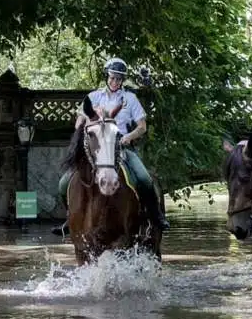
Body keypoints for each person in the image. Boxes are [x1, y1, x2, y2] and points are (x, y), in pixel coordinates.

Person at [52, 57, 170, 236]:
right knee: (63, 184)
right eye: (112, 77)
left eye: (119, 78)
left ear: (123, 80)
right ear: (107, 77)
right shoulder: (92, 97)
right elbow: (79, 123)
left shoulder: (130, 99)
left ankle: (154, 216)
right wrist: (87, 131)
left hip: (121, 146)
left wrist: (129, 137)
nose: (115, 81)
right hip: (95, 148)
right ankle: (71, 218)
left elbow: (142, 126)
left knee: (145, 179)